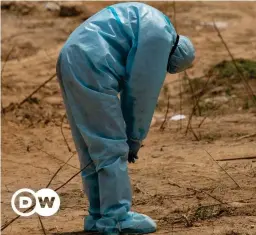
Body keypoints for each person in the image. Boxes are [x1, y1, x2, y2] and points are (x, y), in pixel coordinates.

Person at [56, 2, 195, 234]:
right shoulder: (160, 38)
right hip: (93, 62)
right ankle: (117, 217)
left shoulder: (155, 20)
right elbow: (141, 93)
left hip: (71, 55)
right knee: (111, 146)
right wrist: (133, 139)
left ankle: (98, 215)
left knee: (91, 146)